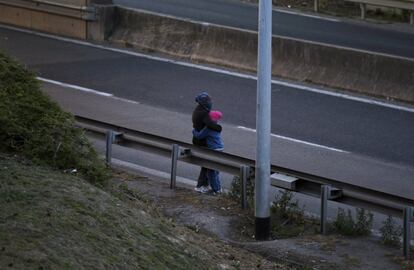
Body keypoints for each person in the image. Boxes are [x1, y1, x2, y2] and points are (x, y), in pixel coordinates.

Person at [192, 92, 221, 193]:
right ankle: (201, 185)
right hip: (202, 141)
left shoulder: (198, 109)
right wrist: (219, 128)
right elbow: (210, 125)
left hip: (198, 140)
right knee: (207, 164)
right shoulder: (203, 113)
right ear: (204, 102)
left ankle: (204, 184)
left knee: (206, 164)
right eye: (209, 100)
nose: (210, 102)